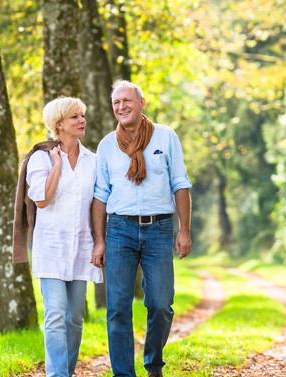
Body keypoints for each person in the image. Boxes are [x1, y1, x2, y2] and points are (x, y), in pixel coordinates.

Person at [90, 80, 192, 377]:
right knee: (118, 307)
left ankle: (154, 364)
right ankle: (123, 373)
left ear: (141, 103)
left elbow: (180, 184)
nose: (121, 107)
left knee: (161, 304)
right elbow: (100, 195)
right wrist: (100, 240)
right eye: (116, 103)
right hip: (119, 229)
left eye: (127, 101)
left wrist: (183, 230)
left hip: (159, 228)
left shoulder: (166, 136)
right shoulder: (107, 145)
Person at [12, 97, 103, 377]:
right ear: (58, 124)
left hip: (82, 247)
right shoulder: (41, 158)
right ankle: (57, 375)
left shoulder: (93, 161)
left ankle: (67, 370)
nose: (81, 120)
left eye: (82, 115)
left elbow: (99, 203)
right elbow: (41, 199)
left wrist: (100, 240)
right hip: (51, 246)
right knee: (55, 315)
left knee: (75, 319)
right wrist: (57, 165)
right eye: (75, 117)